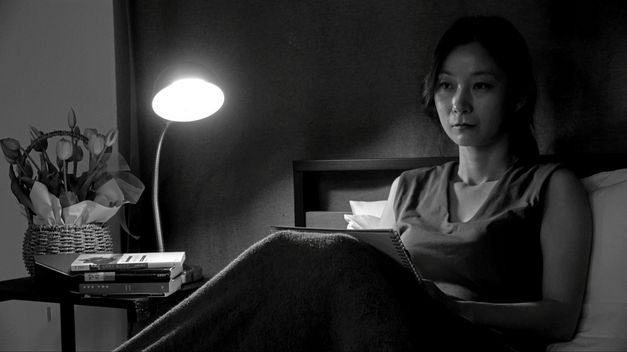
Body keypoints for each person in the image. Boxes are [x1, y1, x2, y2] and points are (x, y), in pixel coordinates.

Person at [114, 16, 591, 352]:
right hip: (383, 326)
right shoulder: (410, 187)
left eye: (481, 85)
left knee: (328, 257)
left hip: (477, 340)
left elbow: (560, 317)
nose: (459, 103)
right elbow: (373, 274)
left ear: (517, 95)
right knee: (296, 257)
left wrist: (460, 310)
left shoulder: (552, 186)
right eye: (447, 85)